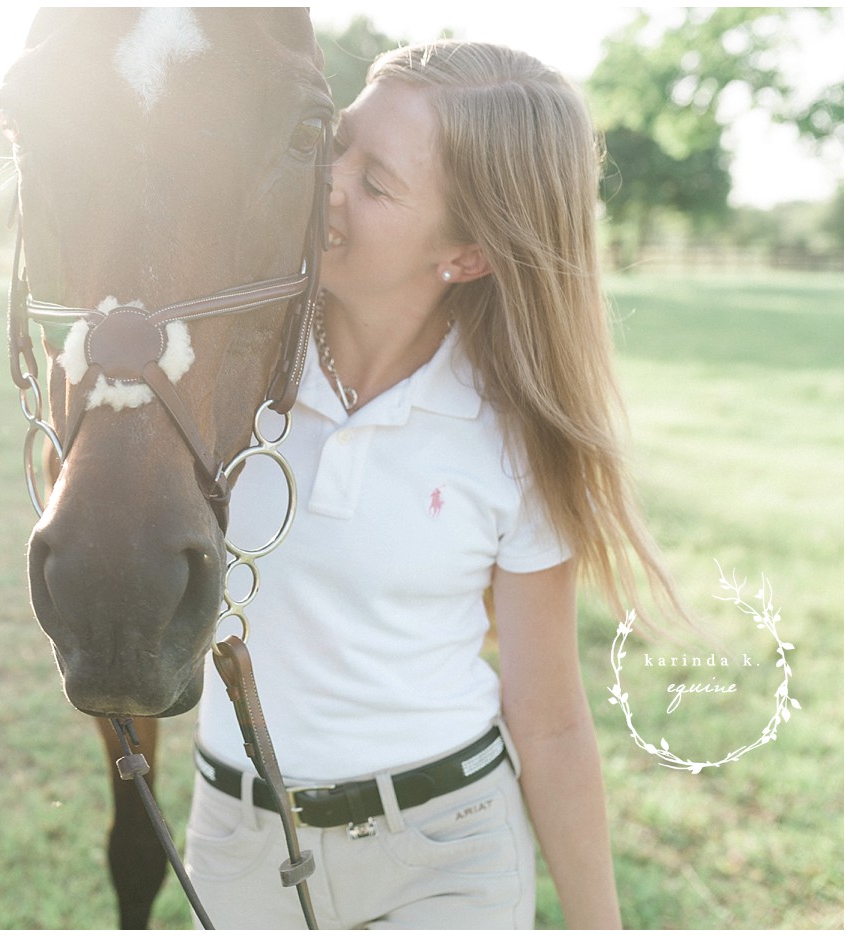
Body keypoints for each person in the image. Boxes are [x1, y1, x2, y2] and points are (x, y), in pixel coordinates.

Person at [184, 40, 686, 929]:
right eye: (335, 142)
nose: (328, 182)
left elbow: (550, 716)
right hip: (235, 845)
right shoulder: (221, 363)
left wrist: (599, 923)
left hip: (445, 855)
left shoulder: (516, 436)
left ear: (467, 255)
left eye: (375, 184)